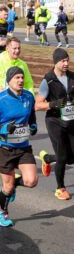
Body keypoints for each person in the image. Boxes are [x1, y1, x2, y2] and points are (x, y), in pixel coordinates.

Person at [35, 48, 74, 200]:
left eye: (67, 60)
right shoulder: (48, 80)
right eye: (63, 61)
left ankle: (47, 158)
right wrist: (54, 104)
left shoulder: (73, 76)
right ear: (56, 62)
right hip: (54, 121)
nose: (66, 63)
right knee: (62, 157)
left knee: (71, 158)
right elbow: (37, 105)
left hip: (70, 121)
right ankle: (60, 188)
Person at [0, 66, 38, 227]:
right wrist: (3, 130)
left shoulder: (29, 96)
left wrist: (34, 126)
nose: (21, 80)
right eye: (17, 78)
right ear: (9, 81)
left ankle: (15, 185)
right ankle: (3, 212)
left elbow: (32, 116)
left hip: (23, 147)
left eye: (22, 77)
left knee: (32, 181)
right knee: (7, 187)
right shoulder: (1, 100)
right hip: (5, 149)